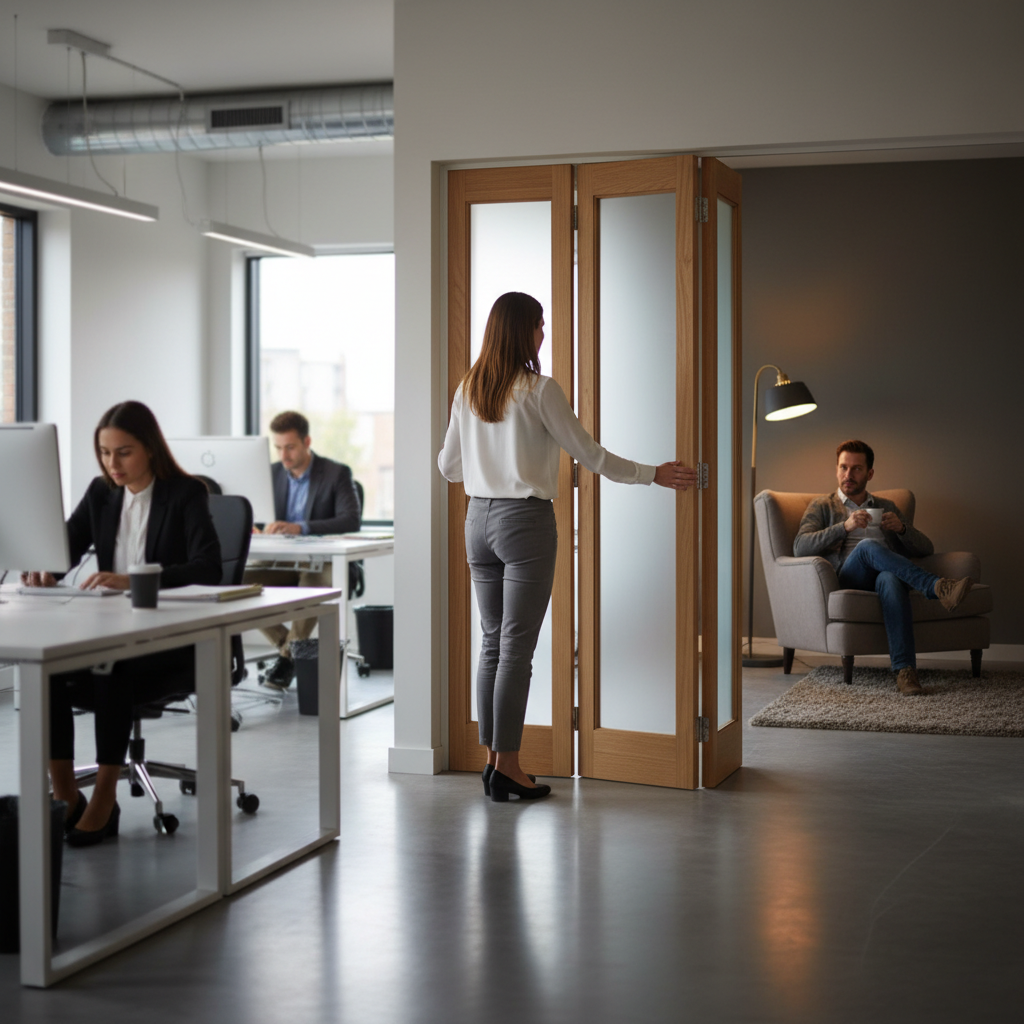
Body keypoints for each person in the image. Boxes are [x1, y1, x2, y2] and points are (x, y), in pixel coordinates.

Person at [438, 291, 696, 802]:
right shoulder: (538, 389)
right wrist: (654, 474)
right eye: (538, 326)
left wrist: (492, 464)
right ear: (521, 332)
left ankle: (493, 761)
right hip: (523, 522)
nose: (542, 335)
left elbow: (448, 467)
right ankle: (509, 767)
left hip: (477, 520)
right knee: (515, 648)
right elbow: (590, 455)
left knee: (492, 643)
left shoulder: (469, 389)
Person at [22, 401, 222, 846]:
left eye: (124, 452)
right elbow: (65, 547)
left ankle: (105, 797)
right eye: (105, 453)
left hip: (169, 639)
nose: (113, 464)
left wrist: (132, 579)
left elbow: (207, 567)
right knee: (48, 670)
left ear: (150, 448)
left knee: (110, 666)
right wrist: (44, 567)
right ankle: (66, 793)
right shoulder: (101, 493)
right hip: (112, 629)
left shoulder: (186, 493)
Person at [794, 439, 973, 696]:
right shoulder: (823, 505)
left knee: (889, 577)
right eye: (843, 467)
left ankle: (906, 673)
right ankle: (937, 587)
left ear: (870, 473)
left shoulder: (886, 506)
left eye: (856, 469)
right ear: (836, 470)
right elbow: (800, 546)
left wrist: (902, 529)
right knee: (867, 547)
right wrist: (845, 526)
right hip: (849, 574)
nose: (848, 474)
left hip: (884, 575)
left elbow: (926, 548)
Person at [243, 410, 361, 689]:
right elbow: (263, 516)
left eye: (290, 447)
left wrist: (301, 526)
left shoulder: (336, 473)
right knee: (239, 584)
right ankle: (294, 650)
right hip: (282, 560)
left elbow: (351, 519)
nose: (283, 456)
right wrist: (259, 528)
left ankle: (287, 656)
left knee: (313, 584)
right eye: (278, 448)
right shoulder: (272, 474)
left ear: (307, 441)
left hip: (326, 562)